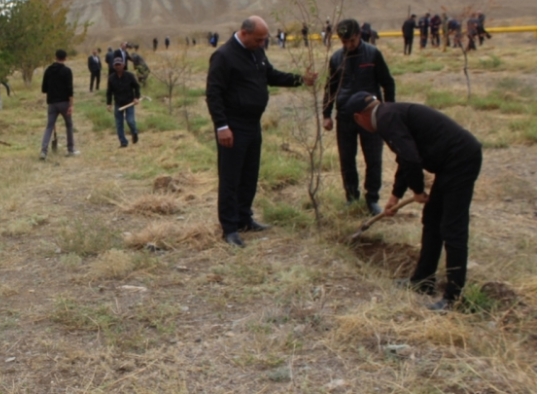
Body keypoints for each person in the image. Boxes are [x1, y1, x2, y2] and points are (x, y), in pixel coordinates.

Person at [344, 92, 482, 311]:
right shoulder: (388, 114)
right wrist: (395, 196)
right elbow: (405, 157)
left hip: (461, 160)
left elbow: (410, 158)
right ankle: (423, 281)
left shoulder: (386, 119)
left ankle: (453, 297)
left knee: (452, 228)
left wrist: (417, 190)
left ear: (359, 117)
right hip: (450, 163)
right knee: (432, 220)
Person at [205, 16, 317, 248]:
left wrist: (301, 80)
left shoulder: (256, 52)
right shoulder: (224, 56)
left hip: (253, 124)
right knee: (230, 177)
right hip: (233, 127)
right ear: (244, 33)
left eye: (264, 39)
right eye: (259, 39)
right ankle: (230, 228)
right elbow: (213, 93)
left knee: (249, 174)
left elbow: (271, 75)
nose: (262, 43)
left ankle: (245, 218)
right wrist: (222, 126)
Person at [322, 19, 396, 215]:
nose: (348, 45)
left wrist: (388, 111)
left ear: (359, 36)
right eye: (344, 42)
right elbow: (330, 87)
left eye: (352, 41)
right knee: (346, 159)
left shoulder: (373, 54)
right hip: (345, 116)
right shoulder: (336, 58)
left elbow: (388, 83)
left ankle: (372, 199)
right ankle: (351, 197)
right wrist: (326, 114)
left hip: (371, 116)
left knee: (373, 159)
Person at [39, 49, 78, 159]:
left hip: (52, 103)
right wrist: (71, 105)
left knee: (49, 127)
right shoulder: (67, 71)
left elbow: (44, 89)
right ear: (65, 58)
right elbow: (70, 90)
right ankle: (70, 149)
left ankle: (43, 150)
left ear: (55, 57)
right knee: (69, 125)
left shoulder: (48, 70)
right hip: (64, 103)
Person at [106, 57, 141, 148]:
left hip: (129, 102)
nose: (118, 66)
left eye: (119, 64)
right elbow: (109, 92)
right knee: (119, 124)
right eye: (116, 65)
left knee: (130, 121)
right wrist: (109, 103)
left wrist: (136, 97)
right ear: (114, 66)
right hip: (118, 103)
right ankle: (123, 142)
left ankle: (134, 132)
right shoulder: (111, 78)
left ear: (123, 65)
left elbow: (136, 87)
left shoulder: (129, 76)